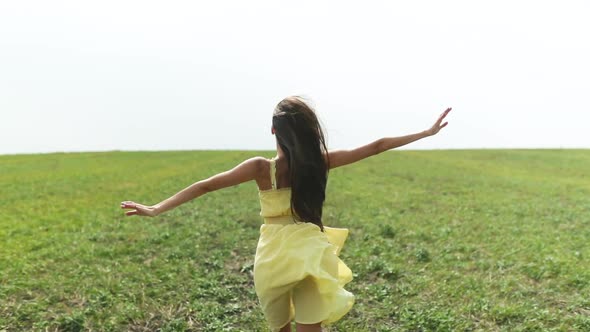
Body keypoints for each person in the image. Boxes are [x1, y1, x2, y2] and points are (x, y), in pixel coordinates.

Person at [121, 96, 451, 332]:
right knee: (311, 326)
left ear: (274, 132)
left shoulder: (260, 168)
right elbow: (377, 145)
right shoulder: (319, 162)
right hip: (309, 251)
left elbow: (206, 186)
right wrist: (424, 133)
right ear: (308, 133)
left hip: (272, 258)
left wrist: (157, 208)